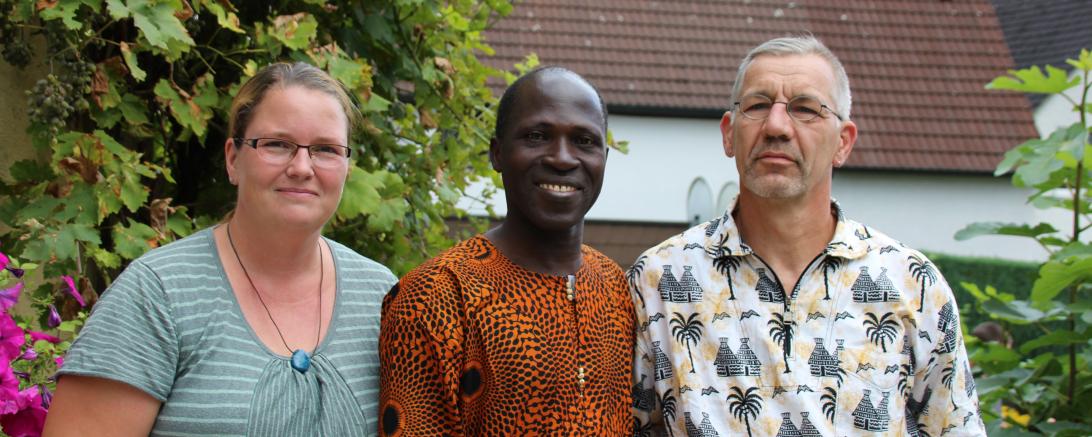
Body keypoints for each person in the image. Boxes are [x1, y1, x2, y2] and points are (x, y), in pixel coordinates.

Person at [629, 36, 985, 436]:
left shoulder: (912, 285)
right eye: (758, 105)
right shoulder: (659, 281)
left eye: (805, 109)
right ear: (729, 133)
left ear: (843, 143)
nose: (776, 126)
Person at [43, 62, 396, 436]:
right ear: (233, 159)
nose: (302, 167)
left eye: (326, 149)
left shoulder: (380, 296)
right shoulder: (159, 294)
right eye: (277, 144)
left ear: (346, 167)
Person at [378, 67, 634, 436]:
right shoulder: (435, 296)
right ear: (497, 153)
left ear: (604, 159)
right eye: (536, 136)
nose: (562, 158)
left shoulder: (615, 286)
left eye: (584, 141)